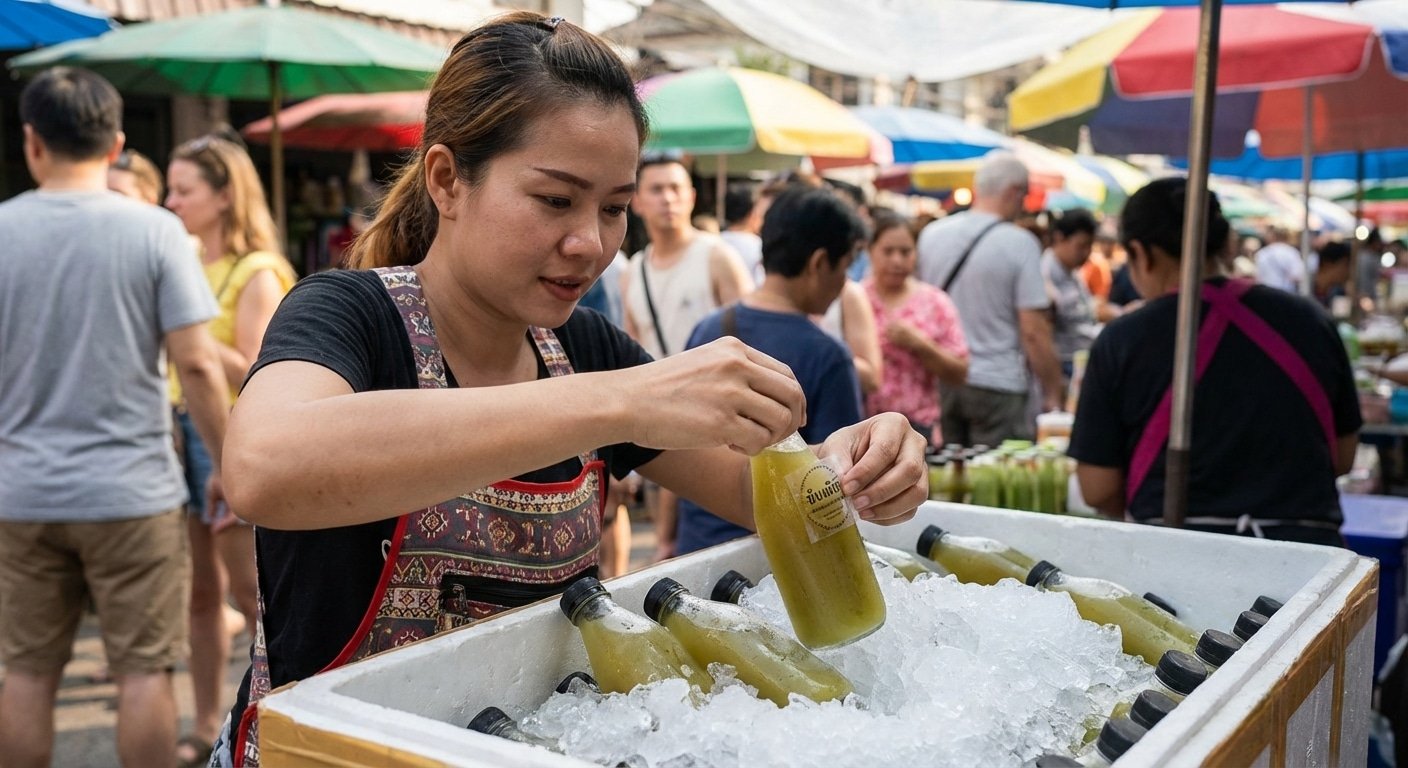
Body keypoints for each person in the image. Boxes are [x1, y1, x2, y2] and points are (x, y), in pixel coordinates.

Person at [211, 14, 927, 766]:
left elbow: (758, 491)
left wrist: (851, 463)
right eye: (556, 200)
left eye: (615, 208)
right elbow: (266, 468)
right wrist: (619, 399)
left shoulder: (580, 346)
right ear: (448, 180)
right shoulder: (349, 314)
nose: (591, 241)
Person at [0, 67, 230, 768]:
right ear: (117, 144)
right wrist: (225, 463)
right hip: (133, 492)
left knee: (27, 672)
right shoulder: (156, 233)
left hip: (22, 493)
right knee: (143, 671)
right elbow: (196, 365)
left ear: (32, 142)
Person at [1068, 177, 1360, 545]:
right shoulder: (1311, 319)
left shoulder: (1122, 339)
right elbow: (1344, 456)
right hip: (1307, 558)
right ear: (1222, 242)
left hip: (1177, 564)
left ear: (1142, 253)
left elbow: (1096, 487)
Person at [163, 133, 298, 767]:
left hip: (224, 432)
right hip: (178, 427)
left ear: (223, 196)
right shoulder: (184, 258)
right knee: (199, 595)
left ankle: (267, 717)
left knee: (252, 600)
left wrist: (185, 327)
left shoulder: (257, 270)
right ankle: (201, 719)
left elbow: (259, 368)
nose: (171, 201)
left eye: (183, 190)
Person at [674, 186, 869, 554]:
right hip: (775, 559)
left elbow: (673, 447)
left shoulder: (710, 329)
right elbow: (833, 485)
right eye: (845, 268)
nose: (844, 283)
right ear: (819, 263)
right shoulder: (828, 356)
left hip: (696, 548)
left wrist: (667, 536)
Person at [621, 154, 754, 562]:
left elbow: (750, 334)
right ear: (638, 201)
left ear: (692, 197)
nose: (668, 199)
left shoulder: (716, 255)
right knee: (675, 551)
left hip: (721, 422)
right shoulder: (634, 270)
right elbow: (632, 352)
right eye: (656, 189)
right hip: (661, 426)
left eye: (676, 188)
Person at [916, 151, 1062, 444]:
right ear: (1013, 192)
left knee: (944, 483)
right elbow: (1033, 331)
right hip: (999, 384)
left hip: (941, 379)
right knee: (993, 483)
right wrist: (1053, 391)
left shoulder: (932, 234)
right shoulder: (1021, 244)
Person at [862, 212, 969, 446]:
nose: (897, 260)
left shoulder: (934, 303)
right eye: (888, 251)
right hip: (863, 427)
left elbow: (960, 371)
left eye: (905, 252)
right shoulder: (855, 299)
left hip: (919, 428)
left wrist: (920, 344)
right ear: (870, 251)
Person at [1041, 208, 1101, 377]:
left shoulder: (1072, 272)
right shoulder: (1045, 275)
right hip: (1063, 364)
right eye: (1081, 246)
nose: (1086, 253)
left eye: (1090, 246)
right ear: (1060, 238)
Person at [1254, 225, 1306, 293]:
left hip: (1265, 293)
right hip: (1286, 294)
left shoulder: (1262, 253)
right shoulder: (1291, 252)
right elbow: (1297, 276)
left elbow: (1257, 276)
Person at [1313, 240, 1352, 313]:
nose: (1347, 272)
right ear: (1328, 264)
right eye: (1345, 265)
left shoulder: (1331, 292)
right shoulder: (1305, 289)